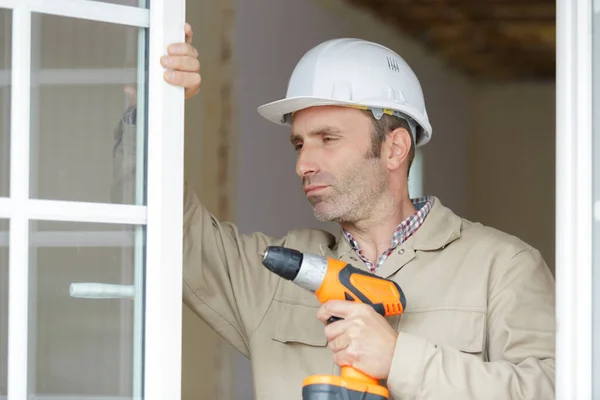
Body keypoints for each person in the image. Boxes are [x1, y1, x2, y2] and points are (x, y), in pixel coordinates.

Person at [116, 23, 556, 399]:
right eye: (299, 143)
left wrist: (400, 359)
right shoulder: (276, 274)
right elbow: (164, 229)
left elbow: (553, 388)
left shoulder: (501, 267)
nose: (304, 164)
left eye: (328, 139)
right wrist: (153, 111)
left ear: (394, 148)